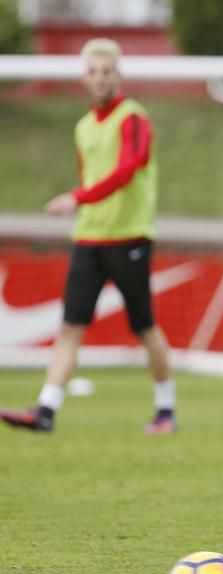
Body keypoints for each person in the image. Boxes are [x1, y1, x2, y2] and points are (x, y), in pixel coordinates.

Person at [0, 38, 175, 435]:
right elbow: (90, 176)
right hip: (89, 239)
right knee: (69, 327)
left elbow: (128, 168)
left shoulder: (134, 118)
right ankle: (46, 409)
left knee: (144, 326)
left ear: (118, 74)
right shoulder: (82, 127)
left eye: (106, 71)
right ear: (84, 76)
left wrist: (78, 197)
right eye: (93, 71)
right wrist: (82, 203)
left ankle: (166, 409)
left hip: (129, 238)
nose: (99, 78)